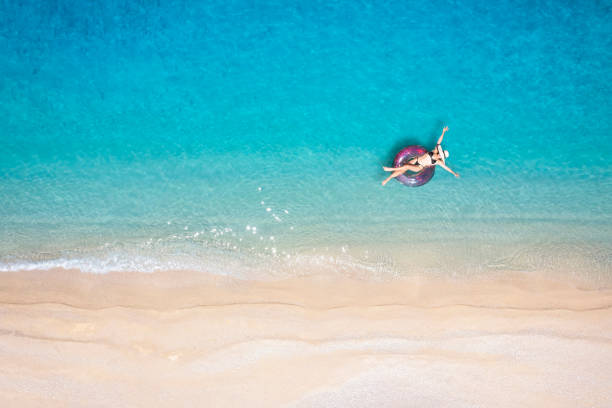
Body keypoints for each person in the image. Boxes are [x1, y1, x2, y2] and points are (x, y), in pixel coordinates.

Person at [382, 126, 459, 186]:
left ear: (442, 157)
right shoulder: (435, 151)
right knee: (403, 169)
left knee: (407, 167)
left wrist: (454, 173)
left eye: (441, 155)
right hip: (416, 160)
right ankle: (387, 179)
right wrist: (443, 132)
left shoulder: (438, 162)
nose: (439, 154)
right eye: (441, 152)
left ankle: (390, 169)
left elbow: (446, 168)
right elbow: (439, 141)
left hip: (419, 167)